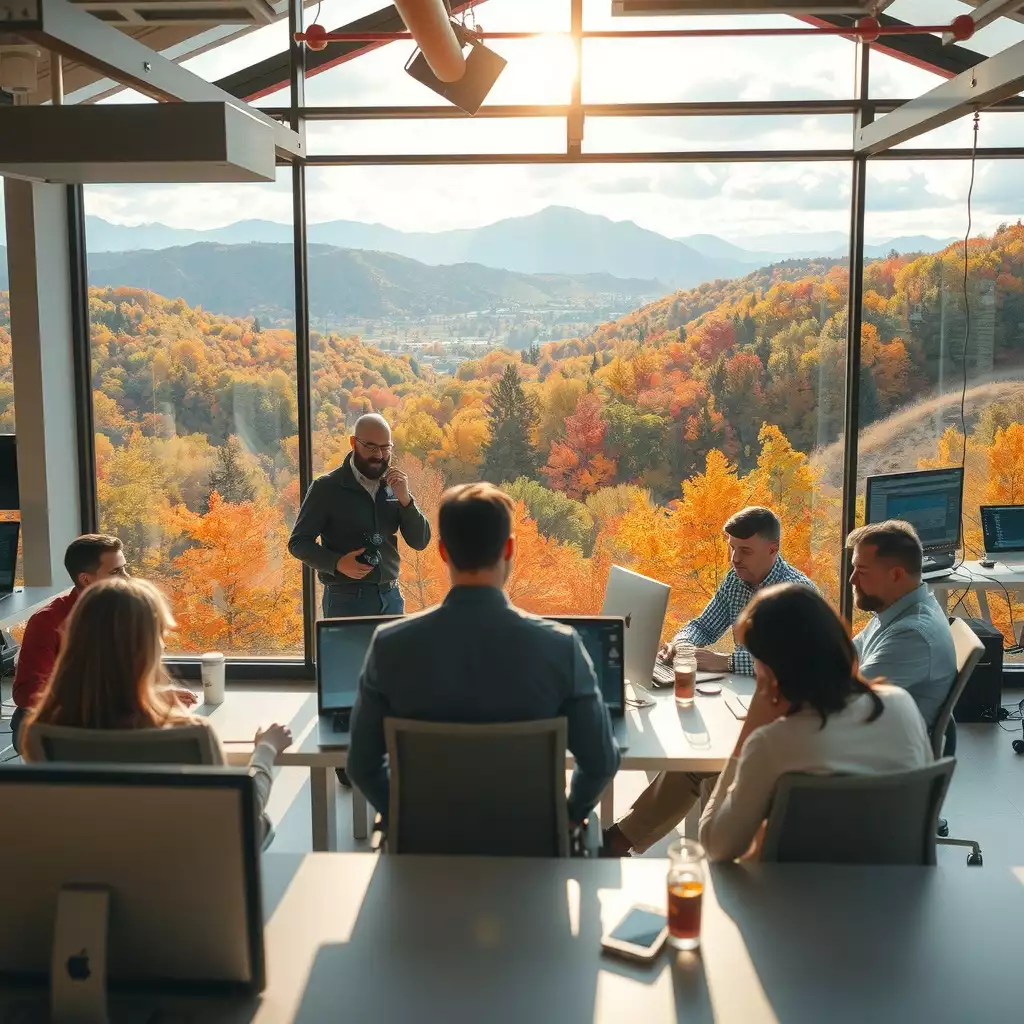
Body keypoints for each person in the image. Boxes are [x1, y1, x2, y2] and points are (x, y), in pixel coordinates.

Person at [347, 482, 621, 830]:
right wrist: (568, 815)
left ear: (443, 551)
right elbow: (600, 762)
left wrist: (405, 816)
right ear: (508, 549)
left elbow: (361, 765)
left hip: (425, 857)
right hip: (531, 857)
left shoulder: (389, 645)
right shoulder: (561, 647)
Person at [604, 506, 817, 856]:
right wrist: (682, 643)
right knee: (695, 758)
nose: (734, 558)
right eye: (731, 547)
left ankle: (623, 841)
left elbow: (796, 660)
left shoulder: (798, 595)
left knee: (702, 764)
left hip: (783, 708)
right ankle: (619, 840)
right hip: (747, 697)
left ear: (773, 550)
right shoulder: (736, 579)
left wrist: (728, 661)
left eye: (745, 550)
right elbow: (704, 624)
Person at [19, 578, 292, 841]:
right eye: (160, 633)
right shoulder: (191, 734)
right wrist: (266, 749)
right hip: (187, 878)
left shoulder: (41, 732)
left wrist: (152, 697)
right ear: (148, 647)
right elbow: (239, 815)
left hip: (96, 875)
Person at [698, 583, 933, 862]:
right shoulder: (901, 705)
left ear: (770, 672)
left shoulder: (771, 744)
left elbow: (717, 846)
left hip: (791, 899)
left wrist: (750, 729)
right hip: (895, 892)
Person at [8, 534, 197, 754]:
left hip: (107, 717)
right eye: (116, 571)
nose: (126, 578)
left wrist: (154, 695)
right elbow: (27, 694)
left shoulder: (126, 612)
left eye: (124, 568)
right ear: (85, 579)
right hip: (54, 724)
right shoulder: (47, 622)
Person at [288, 413, 431, 619]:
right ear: (353, 443)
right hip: (345, 601)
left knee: (391, 654)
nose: (379, 455)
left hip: (392, 598)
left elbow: (420, 541)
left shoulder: (395, 485)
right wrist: (337, 563)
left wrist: (406, 501)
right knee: (348, 654)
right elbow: (298, 543)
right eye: (371, 447)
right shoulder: (326, 488)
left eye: (385, 448)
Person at [847, 520, 957, 733]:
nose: (852, 579)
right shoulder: (894, 609)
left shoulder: (911, 635)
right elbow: (849, 654)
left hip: (880, 754)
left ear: (896, 575)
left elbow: (849, 702)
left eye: (861, 570)